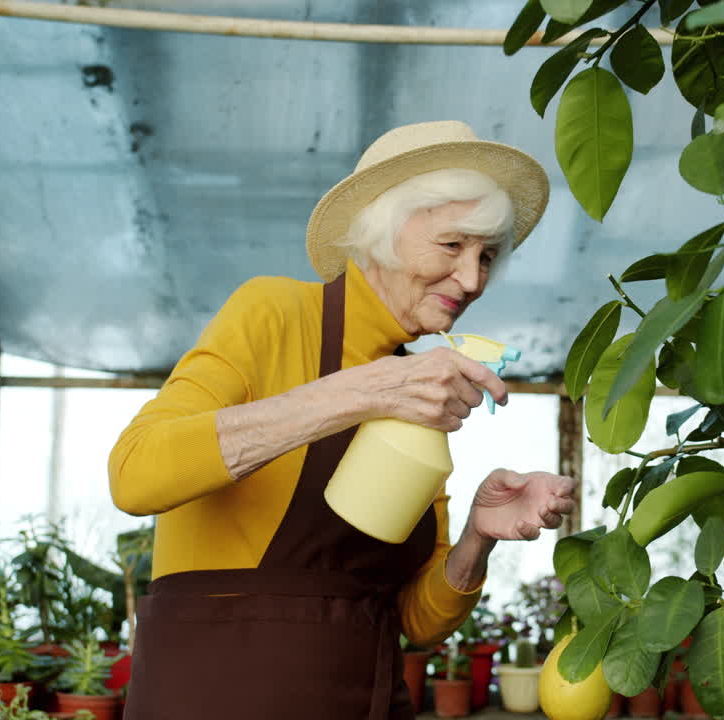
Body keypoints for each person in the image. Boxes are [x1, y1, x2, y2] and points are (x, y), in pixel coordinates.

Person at [108, 120, 578, 719]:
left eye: (487, 256)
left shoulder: (419, 386)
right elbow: (134, 473)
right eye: (453, 245)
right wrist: (361, 392)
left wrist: (476, 539)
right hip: (217, 695)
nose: (473, 279)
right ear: (382, 229)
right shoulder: (274, 313)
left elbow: (414, 620)